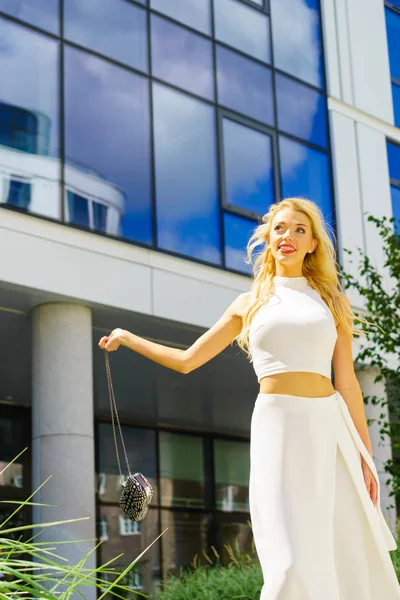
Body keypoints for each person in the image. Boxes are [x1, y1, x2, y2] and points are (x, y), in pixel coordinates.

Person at [99, 197, 400, 599]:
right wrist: (128, 338)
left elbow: (347, 383)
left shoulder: (332, 301)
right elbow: (188, 361)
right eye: (280, 228)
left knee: (342, 546)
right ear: (268, 238)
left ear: (313, 244)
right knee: (289, 559)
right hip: (277, 425)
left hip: (329, 430)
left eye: (299, 230)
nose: (288, 237)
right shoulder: (249, 303)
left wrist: (366, 456)